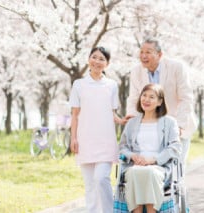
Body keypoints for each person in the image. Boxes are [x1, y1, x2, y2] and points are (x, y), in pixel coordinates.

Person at [125, 37, 197, 170]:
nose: (143, 56)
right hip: (151, 127)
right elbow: (134, 98)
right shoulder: (136, 71)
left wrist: (179, 125)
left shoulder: (176, 67)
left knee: (175, 167)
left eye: (148, 52)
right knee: (152, 166)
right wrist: (131, 117)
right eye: (141, 52)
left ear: (160, 54)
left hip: (177, 123)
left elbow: (186, 98)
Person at [69, 46, 122, 213]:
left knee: (101, 178)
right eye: (94, 57)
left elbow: (112, 113)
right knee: (90, 185)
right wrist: (73, 138)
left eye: (102, 59)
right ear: (88, 59)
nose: (97, 61)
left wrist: (122, 120)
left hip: (106, 140)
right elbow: (75, 115)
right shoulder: (78, 85)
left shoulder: (112, 85)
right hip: (85, 140)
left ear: (107, 64)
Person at [119, 83, 182, 213]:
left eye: (151, 97)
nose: (146, 99)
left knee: (150, 172)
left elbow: (175, 147)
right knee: (135, 172)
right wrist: (133, 156)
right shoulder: (132, 123)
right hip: (135, 165)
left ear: (160, 102)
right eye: (144, 95)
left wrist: (153, 160)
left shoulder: (169, 122)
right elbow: (122, 147)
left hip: (159, 165)